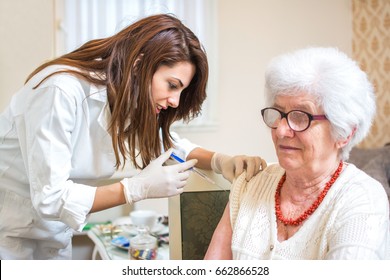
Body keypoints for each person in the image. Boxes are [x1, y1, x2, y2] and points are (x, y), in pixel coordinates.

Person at [0, 14, 266, 260]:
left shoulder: (124, 100)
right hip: (8, 234)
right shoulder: (60, 91)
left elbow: (170, 146)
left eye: (181, 92)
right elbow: (51, 198)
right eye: (172, 85)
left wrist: (221, 161)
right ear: (139, 65)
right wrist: (134, 189)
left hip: (53, 236)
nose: (175, 101)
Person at [204, 47, 390, 260]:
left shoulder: (362, 199)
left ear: (344, 133)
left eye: (301, 116)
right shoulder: (249, 185)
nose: (281, 131)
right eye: (279, 113)